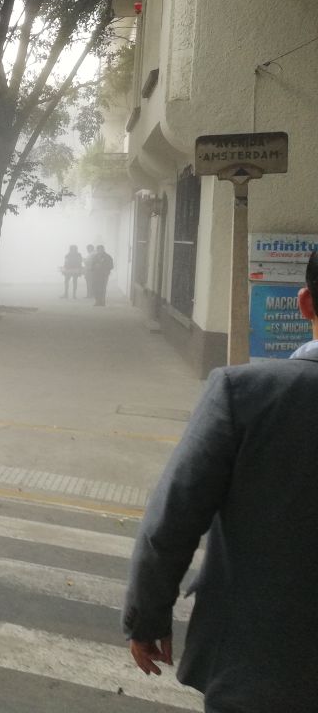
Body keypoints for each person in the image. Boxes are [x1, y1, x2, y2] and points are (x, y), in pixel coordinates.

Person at [122, 248, 318, 712]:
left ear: (305, 303)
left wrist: (147, 618)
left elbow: (172, 518)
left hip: (262, 668)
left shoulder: (248, 395)